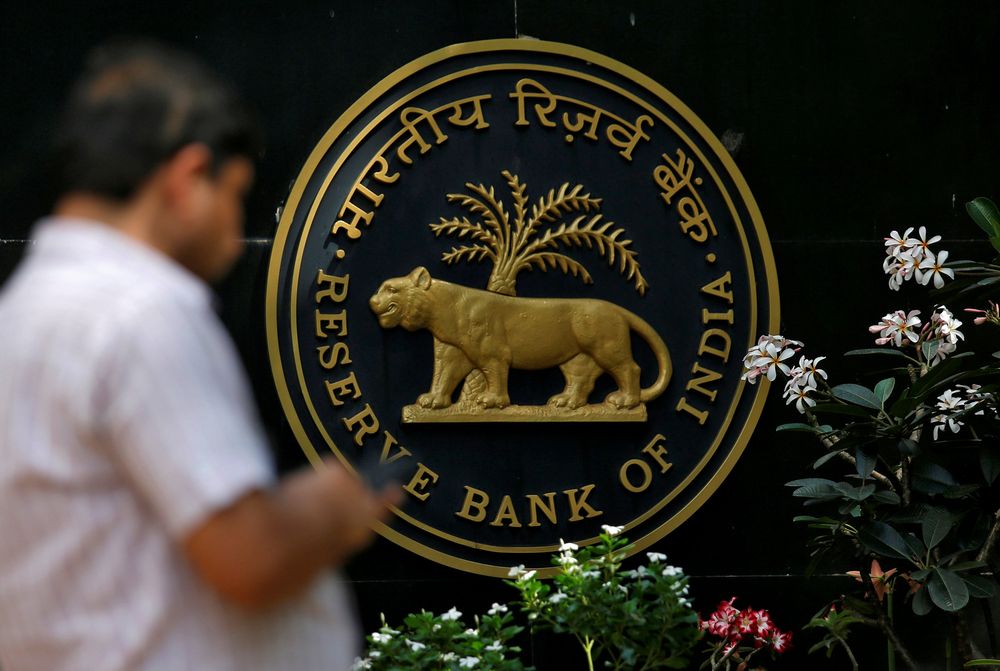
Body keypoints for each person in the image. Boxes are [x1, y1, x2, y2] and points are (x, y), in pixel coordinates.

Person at [0, 41, 396, 671]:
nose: (234, 235)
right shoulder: (142, 312)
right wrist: (339, 501)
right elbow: (249, 558)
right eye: (234, 193)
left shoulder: (22, 311)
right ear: (186, 180)